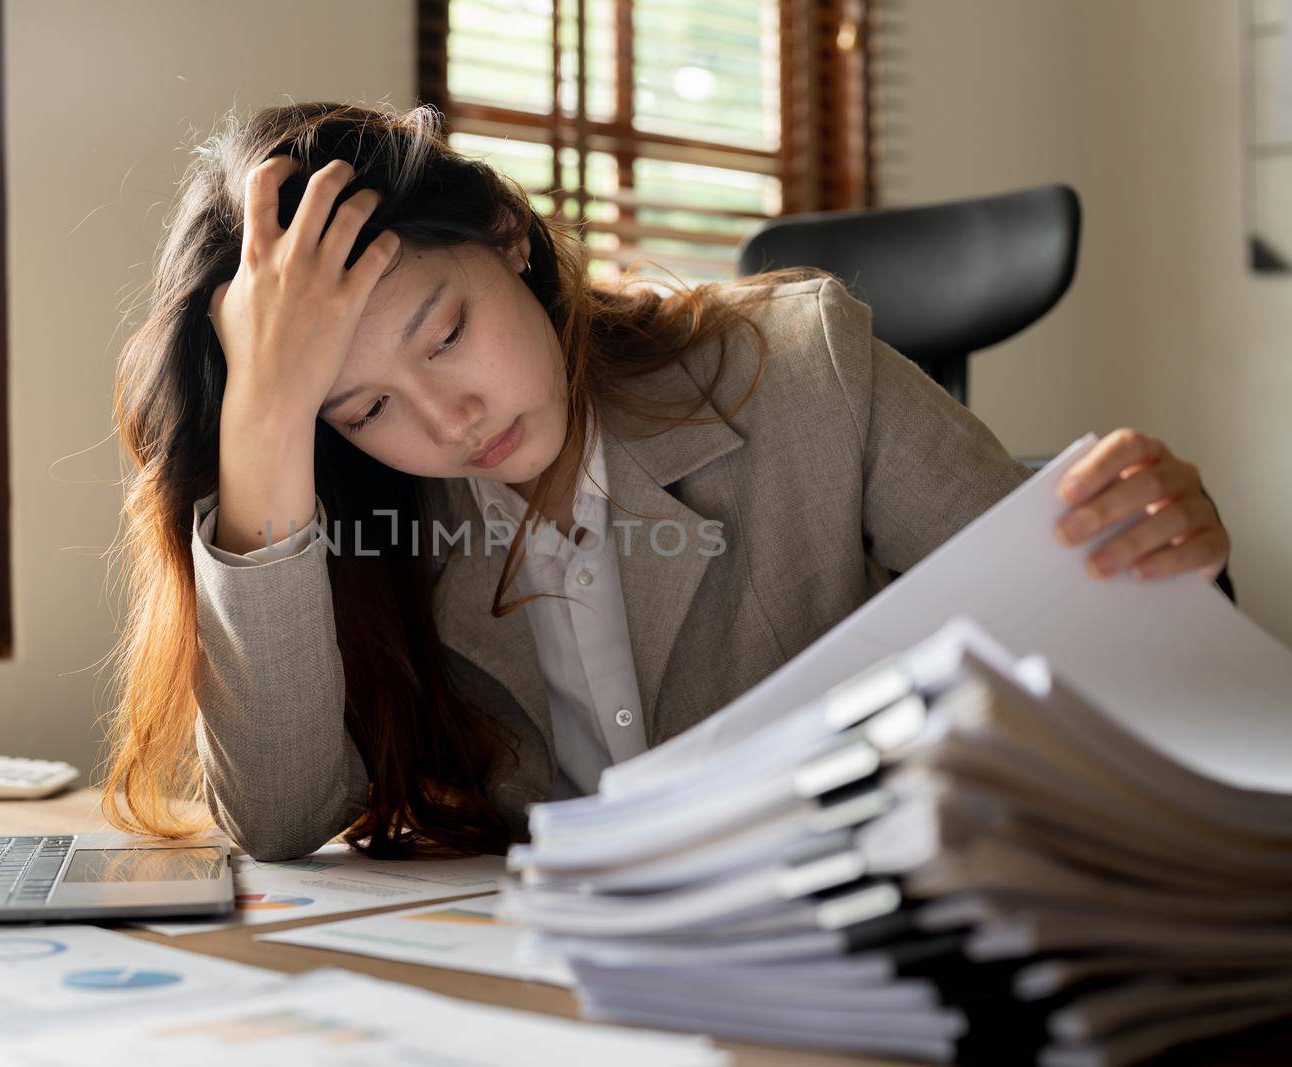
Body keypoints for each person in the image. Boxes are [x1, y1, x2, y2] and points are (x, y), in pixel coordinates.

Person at [98, 102, 1233, 862]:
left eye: (443, 334)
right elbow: (281, 820)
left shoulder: (802, 371)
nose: (448, 419)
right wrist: (264, 423)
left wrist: (1159, 549)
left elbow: (1114, 652)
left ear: (506, 238)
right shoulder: (365, 511)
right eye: (363, 408)